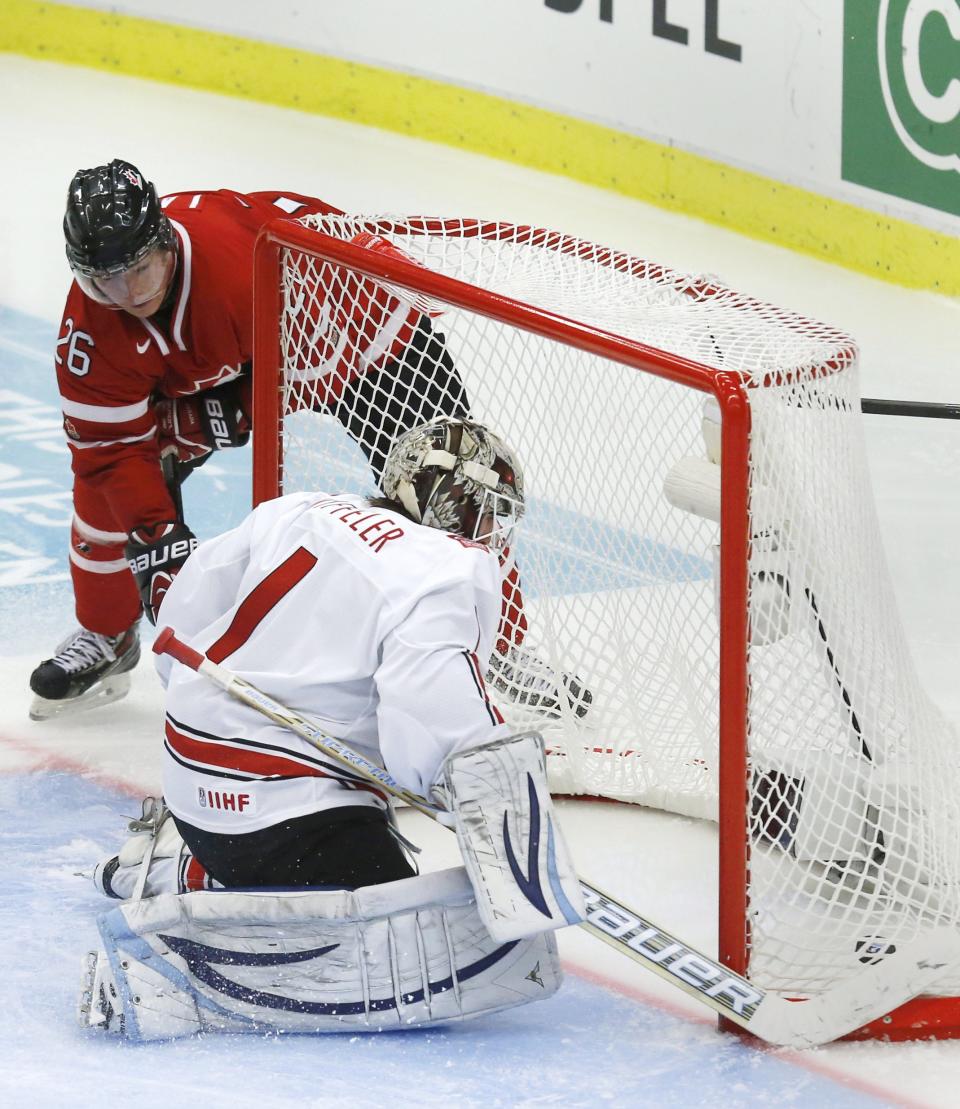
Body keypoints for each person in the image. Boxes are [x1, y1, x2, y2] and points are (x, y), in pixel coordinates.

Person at [31, 158, 590, 724]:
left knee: (451, 490)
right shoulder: (91, 330)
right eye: (105, 279)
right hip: (240, 357)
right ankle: (107, 632)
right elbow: (107, 452)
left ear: (166, 245)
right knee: (108, 495)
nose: (126, 293)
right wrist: (158, 544)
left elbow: (316, 365)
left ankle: (502, 644)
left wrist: (217, 419)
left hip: (366, 329)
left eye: (140, 271)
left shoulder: (237, 267)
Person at [80, 418, 583, 1040]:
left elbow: (181, 616)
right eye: (489, 514)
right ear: (461, 502)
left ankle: (180, 865)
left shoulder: (301, 508)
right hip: (286, 817)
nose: (489, 534)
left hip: (189, 779)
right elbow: (433, 719)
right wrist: (493, 809)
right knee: (403, 932)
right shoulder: (448, 568)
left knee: (341, 850)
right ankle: (171, 968)